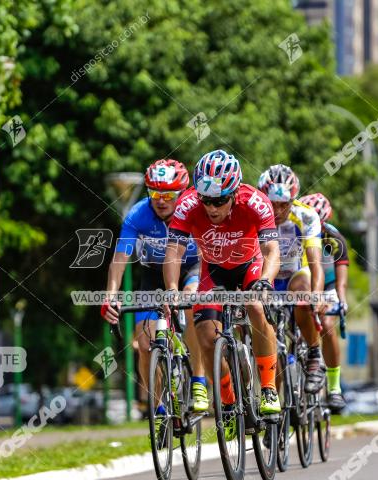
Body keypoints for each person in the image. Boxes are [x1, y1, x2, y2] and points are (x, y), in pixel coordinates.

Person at [164, 149, 281, 441]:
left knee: (255, 306)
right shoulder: (188, 204)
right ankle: (227, 404)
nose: (211, 208)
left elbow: (271, 251)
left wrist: (266, 281)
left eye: (219, 201)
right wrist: (171, 291)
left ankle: (268, 388)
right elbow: (174, 251)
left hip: (249, 267)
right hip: (213, 271)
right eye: (206, 201)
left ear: (235, 193)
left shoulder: (255, 202)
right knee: (205, 333)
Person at [100, 159, 209, 423]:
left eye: (169, 194)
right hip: (153, 276)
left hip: (192, 268)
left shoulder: (195, 210)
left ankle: (198, 381)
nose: (161, 200)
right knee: (146, 345)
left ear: (182, 193)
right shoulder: (138, 215)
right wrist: (110, 295)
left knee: (192, 304)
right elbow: (120, 259)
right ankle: (158, 409)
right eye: (155, 193)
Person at [257, 165, 326, 394]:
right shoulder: (253, 215)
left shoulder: (306, 216)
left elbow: (316, 263)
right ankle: (270, 401)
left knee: (303, 294)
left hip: (297, 273)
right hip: (267, 276)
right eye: (272, 203)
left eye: (283, 204)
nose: (277, 210)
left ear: (293, 200)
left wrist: (316, 295)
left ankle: (315, 354)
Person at [299, 193, 349, 411]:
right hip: (301, 280)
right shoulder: (293, 230)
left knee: (327, 325)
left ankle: (335, 388)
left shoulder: (333, 236)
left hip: (327, 285)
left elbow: (341, 274)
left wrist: (341, 298)